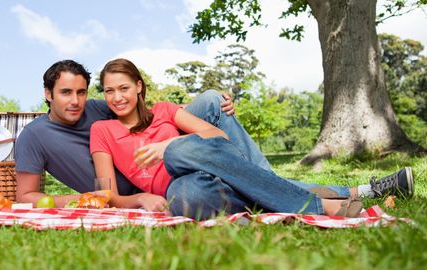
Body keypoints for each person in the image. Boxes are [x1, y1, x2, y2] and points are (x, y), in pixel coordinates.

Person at [90, 58, 415, 219]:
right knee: (190, 197)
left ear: (139, 87)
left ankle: (322, 207)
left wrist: (168, 145)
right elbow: (107, 194)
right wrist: (139, 199)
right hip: (187, 186)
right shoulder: (101, 131)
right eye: (109, 90)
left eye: (124, 88)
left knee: (176, 153)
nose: (117, 97)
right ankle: (365, 191)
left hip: (206, 163)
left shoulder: (164, 110)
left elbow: (215, 136)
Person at [14, 60, 241, 207]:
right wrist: (85, 199)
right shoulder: (33, 136)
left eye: (81, 92)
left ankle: (259, 180)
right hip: (128, 191)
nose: (75, 101)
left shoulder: (97, 107)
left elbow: (143, 113)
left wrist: (182, 111)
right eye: (65, 93)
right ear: (48, 94)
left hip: (161, 162)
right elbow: (24, 196)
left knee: (213, 101)